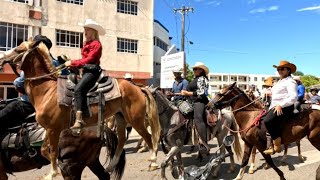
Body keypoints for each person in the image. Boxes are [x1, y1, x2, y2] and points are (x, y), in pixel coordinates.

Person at [64, 19, 105, 129]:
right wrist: (71, 64)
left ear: (93, 32)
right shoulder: (86, 44)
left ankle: (79, 119)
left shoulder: (96, 44)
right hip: (85, 70)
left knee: (78, 89)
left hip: (92, 71)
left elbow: (89, 59)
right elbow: (83, 60)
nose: (85, 32)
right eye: (84, 30)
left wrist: (73, 62)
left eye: (87, 30)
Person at [263, 60, 298, 155]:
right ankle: (267, 143)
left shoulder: (291, 82)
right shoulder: (279, 82)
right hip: (274, 106)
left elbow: (294, 96)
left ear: (288, 71)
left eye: (282, 69)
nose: (280, 71)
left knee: (267, 120)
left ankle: (277, 143)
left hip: (285, 106)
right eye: (278, 69)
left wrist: (281, 105)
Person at [181, 62, 209, 154]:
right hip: (191, 101)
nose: (194, 71)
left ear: (201, 70)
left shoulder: (202, 79)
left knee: (198, 119)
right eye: (194, 69)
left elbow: (202, 92)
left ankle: (204, 145)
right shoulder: (195, 79)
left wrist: (187, 93)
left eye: (196, 69)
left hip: (200, 101)